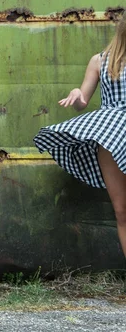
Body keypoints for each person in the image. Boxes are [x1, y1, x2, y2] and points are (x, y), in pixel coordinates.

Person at [34, 15, 126, 258]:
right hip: (110, 136)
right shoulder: (100, 61)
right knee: (122, 211)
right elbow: (82, 102)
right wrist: (77, 94)